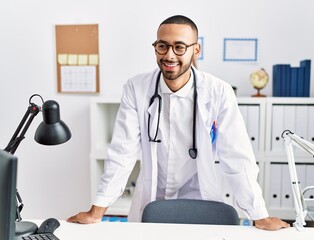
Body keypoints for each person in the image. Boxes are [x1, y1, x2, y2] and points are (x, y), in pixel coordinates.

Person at [67, 15, 289, 230]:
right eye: (162, 46)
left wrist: (259, 215)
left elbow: (237, 157)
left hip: (199, 195)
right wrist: (97, 210)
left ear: (196, 50)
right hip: (151, 195)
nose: (169, 55)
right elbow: (121, 153)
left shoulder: (218, 91)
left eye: (180, 47)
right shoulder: (137, 88)